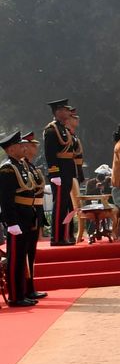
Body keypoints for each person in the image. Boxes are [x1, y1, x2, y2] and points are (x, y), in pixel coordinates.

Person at [1, 131, 46, 307]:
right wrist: (11, 223)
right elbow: (6, 199)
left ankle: (24, 292)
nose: (23, 148)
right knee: (16, 258)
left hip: (27, 215)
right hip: (17, 217)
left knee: (24, 257)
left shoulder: (21, 166)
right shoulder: (7, 169)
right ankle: (15, 295)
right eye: (20, 145)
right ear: (11, 149)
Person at [42, 98, 82, 246]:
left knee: (67, 205)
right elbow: (50, 154)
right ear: (58, 112)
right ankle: (57, 237)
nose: (68, 112)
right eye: (65, 110)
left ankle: (66, 234)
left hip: (67, 170)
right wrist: (54, 173)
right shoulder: (51, 130)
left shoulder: (64, 129)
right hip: (59, 172)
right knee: (59, 205)